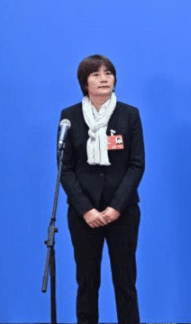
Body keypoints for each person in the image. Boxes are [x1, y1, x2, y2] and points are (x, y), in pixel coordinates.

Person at [59, 55, 144, 324]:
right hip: (84, 215)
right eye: (95, 74)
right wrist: (86, 210)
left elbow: (136, 165)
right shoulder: (69, 117)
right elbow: (65, 169)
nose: (103, 78)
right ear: (85, 82)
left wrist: (116, 207)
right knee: (87, 282)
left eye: (108, 73)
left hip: (122, 212)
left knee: (125, 281)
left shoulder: (129, 115)